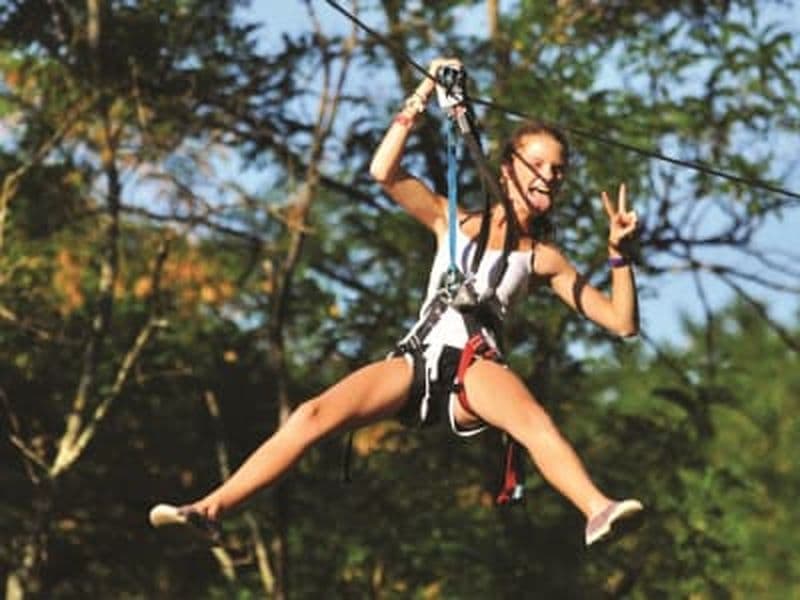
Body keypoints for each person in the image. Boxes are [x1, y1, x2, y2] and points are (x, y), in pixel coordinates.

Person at [150, 58, 643, 548]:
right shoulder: (451, 219)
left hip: (475, 365)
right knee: (310, 415)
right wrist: (423, 92)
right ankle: (210, 509)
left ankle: (596, 509)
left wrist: (619, 256)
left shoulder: (544, 259)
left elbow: (621, 324)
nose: (549, 177)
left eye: (557, 171)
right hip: (416, 359)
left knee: (530, 418)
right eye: (538, 164)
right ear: (508, 167)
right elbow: (383, 169)